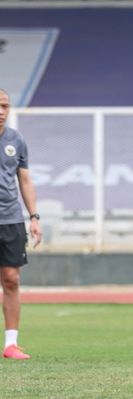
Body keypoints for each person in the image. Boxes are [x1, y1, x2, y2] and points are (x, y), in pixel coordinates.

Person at [0, 89, 42, 360]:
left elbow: (24, 179)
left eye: (5, 105)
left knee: (12, 279)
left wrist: (34, 216)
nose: (1, 111)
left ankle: (11, 344)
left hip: (10, 220)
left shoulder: (16, 139)